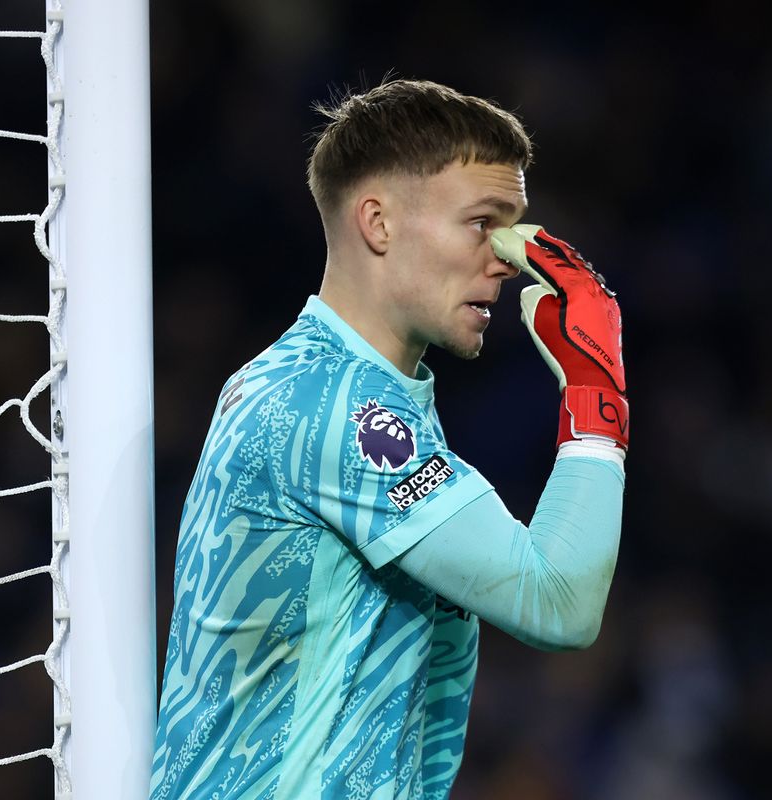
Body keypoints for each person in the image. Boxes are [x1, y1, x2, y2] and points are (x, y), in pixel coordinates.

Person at [149, 78, 629, 800]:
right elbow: (558, 602)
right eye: (482, 223)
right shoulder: (334, 406)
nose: (508, 259)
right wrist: (596, 392)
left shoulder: (330, 386)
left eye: (512, 228)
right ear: (378, 223)